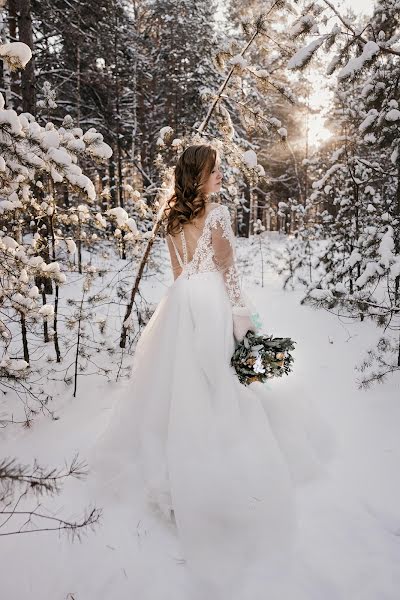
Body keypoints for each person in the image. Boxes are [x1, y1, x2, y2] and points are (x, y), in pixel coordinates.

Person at [94, 144, 334, 599]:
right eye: (214, 170)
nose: (220, 175)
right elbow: (229, 271)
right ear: (198, 176)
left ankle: (178, 446)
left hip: (181, 303)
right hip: (211, 303)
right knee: (226, 383)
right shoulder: (218, 215)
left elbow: (177, 272)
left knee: (176, 386)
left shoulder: (171, 217)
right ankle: (221, 461)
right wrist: (242, 313)